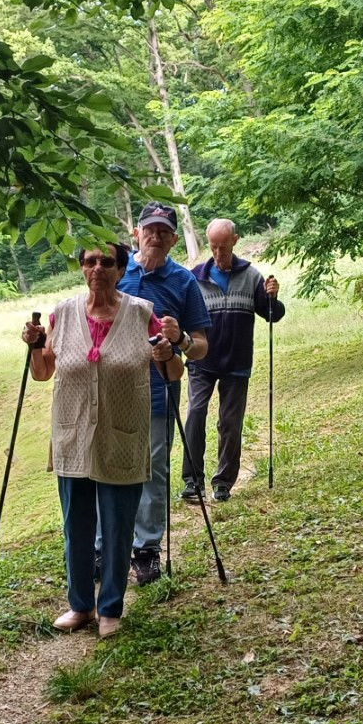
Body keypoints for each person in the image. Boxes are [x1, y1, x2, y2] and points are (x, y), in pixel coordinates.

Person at [20, 242, 180, 639]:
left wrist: (167, 350)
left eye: (107, 262)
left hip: (122, 436)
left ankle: (110, 607)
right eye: (90, 261)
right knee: (77, 526)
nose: (98, 268)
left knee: (117, 526)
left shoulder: (142, 314)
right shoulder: (63, 314)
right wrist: (35, 345)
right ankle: (80, 606)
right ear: (81, 268)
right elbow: (42, 373)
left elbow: (173, 372)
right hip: (73, 437)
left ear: (122, 268)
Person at [113, 202, 210, 586]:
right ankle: (105, 547)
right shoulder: (116, 270)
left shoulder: (184, 281)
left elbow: (201, 346)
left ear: (173, 239)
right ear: (137, 232)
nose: (155, 236)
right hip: (111, 391)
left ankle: (147, 549)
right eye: (149, 229)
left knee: (152, 473)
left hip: (158, 391)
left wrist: (181, 338)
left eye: (164, 231)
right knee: (108, 471)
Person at [182, 218, 283, 504]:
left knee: (230, 423)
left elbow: (272, 314)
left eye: (223, 247)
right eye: (213, 247)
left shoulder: (251, 276)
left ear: (235, 241)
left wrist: (272, 297)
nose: (217, 253)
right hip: (201, 361)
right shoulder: (195, 278)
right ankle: (192, 481)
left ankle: (223, 482)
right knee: (195, 415)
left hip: (237, 363)